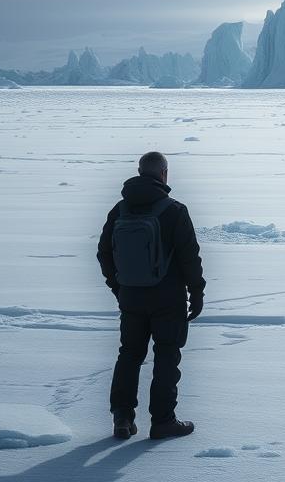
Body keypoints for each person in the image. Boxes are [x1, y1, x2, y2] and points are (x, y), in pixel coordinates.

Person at [97, 151, 206, 440]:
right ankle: (163, 421)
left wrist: (119, 287)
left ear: (139, 172)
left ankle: (122, 418)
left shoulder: (120, 210)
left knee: (129, 354)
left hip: (131, 297)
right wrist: (197, 292)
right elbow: (189, 257)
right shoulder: (175, 211)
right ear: (164, 174)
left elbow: (104, 252)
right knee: (166, 356)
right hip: (168, 299)